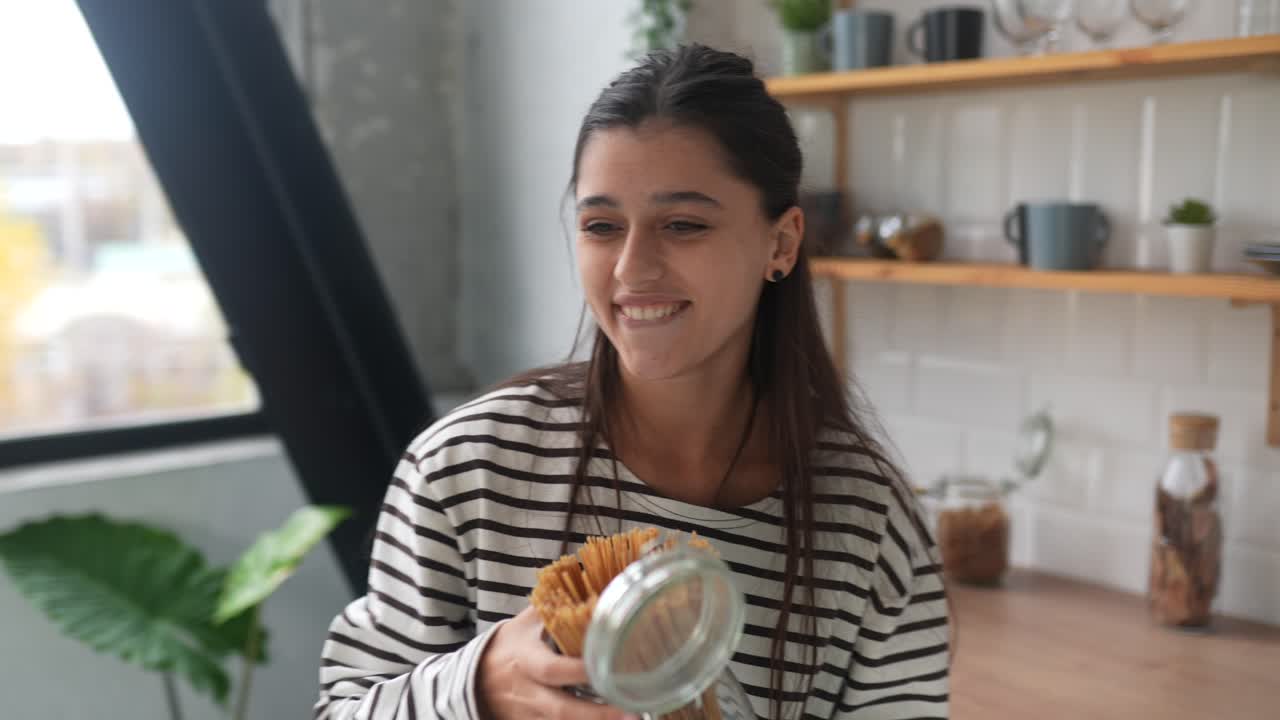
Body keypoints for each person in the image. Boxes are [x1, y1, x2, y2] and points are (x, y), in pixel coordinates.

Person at [315, 43, 949, 720]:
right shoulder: (466, 470)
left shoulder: (867, 524)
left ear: (782, 244)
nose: (630, 269)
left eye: (683, 225)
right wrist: (480, 687)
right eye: (601, 226)